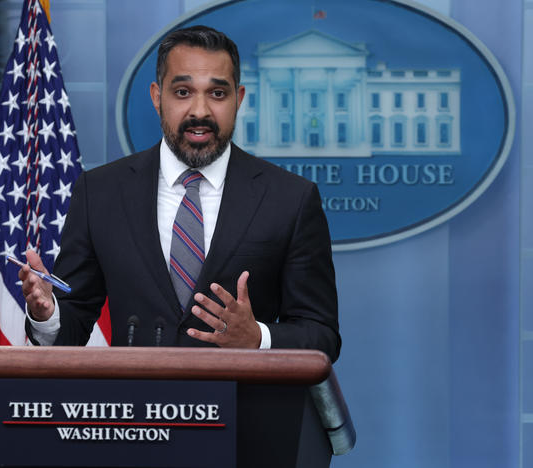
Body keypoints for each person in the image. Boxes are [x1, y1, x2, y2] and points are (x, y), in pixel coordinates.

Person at [18, 25, 340, 361]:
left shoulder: (290, 198)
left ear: (238, 99)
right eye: (183, 92)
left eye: (217, 94)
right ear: (158, 97)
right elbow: (73, 324)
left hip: (244, 409)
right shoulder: (100, 192)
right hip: (136, 407)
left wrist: (257, 337)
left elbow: (322, 335)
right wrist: (46, 314)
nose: (199, 111)